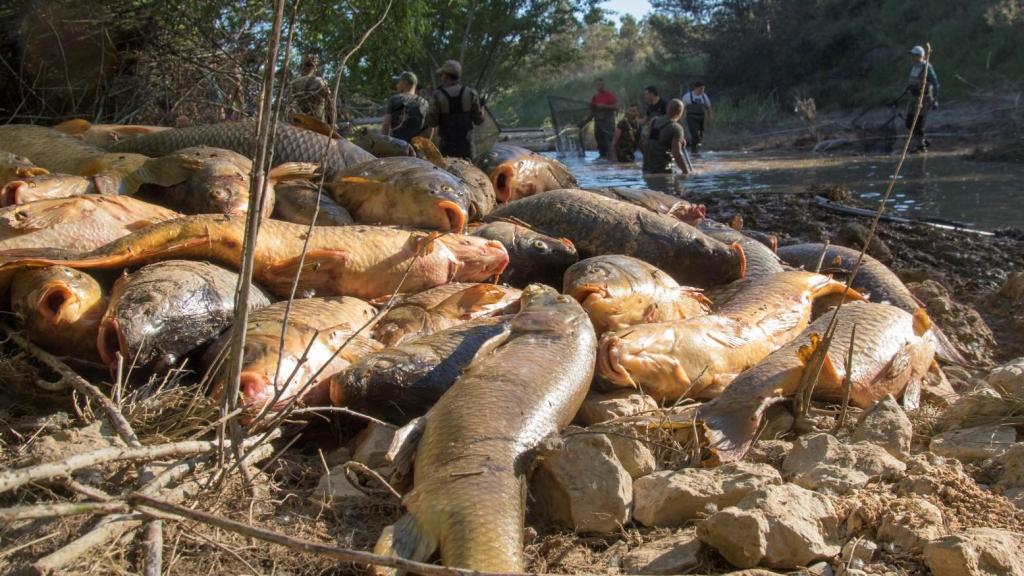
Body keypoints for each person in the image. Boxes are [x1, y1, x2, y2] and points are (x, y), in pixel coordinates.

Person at [426, 60, 484, 159]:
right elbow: (479, 120)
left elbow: (432, 123)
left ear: (446, 75)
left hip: (446, 149)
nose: (441, 77)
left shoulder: (438, 95)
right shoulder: (471, 93)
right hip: (467, 148)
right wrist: (482, 106)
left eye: (442, 74)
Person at [904, 45, 939, 152]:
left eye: (915, 55)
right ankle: (923, 142)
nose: (912, 57)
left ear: (921, 56)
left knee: (918, 124)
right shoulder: (914, 66)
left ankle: (921, 146)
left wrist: (935, 99)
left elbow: (936, 84)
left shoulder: (927, 67)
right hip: (913, 99)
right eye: (912, 55)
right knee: (909, 123)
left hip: (924, 99)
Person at [643, 99, 689, 174]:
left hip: (647, 168)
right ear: (680, 112)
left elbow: (650, 141)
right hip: (663, 170)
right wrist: (685, 171)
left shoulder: (654, 121)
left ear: (667, 109)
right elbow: (676, 153)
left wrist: (677, 141)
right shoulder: (677, 128)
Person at [382, 71, 429, 143]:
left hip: (396, 146)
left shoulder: (394, 99)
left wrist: (383, 143)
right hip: (415, 148)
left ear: (404, 83)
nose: (397, 85)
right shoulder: (424, 103)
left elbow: (386, 124)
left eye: (399, 83)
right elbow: (430, 128)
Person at [290, 55, 334, 122]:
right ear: (314, 68)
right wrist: (331, 122)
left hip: (298, 120)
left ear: (302, 67)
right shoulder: (319, 81)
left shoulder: (293, 83)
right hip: (316, 121)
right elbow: (329, 102)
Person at [582, 79, 618, 159]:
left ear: (604, 85)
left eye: (601, 85)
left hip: (608, 123)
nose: (600, 86)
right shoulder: (595, 97)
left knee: (609, 142)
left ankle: (611, 159)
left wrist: (604, 106)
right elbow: (592, 113)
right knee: (600, 143)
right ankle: (602, 159)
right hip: (598, 124)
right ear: (596, 86)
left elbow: (615, 106)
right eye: (598, 85)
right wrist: (584, 122)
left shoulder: (609, 95)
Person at [681, 82, 712, 153]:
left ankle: (695, 150)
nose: (702, 90)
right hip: (691, 117)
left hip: (701, 118)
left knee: (701, 135)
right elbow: (682, 108)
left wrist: (710, 118)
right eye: (701, 89)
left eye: (703, 89)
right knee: (695, 134)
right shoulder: (687, 96)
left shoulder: (704, 96)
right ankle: (693, 150)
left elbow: (709, 108)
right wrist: (680, 118)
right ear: (695, 88)